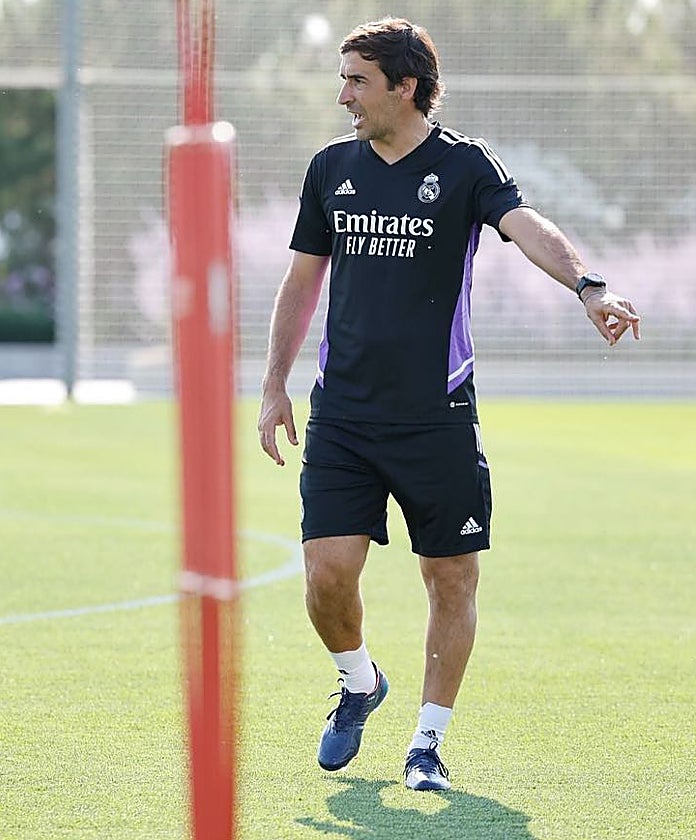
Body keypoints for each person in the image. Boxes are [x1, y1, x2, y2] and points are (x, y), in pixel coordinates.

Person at [256, 17, 641, 792]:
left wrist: (588, 286)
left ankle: (426, 745)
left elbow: (527, 226)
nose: (343, 96)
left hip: (436, 414)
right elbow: (302, 283)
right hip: (345, 416)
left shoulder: (464, 167)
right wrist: (273, 386)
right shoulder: (331, 168)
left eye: (357, 80)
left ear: (405, 86)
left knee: (452, 578)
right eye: (343, 79)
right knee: (326, 577)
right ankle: (360, 684)